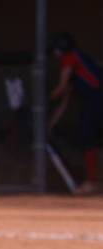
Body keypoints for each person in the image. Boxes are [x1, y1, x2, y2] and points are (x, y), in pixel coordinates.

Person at [49, 33, 102, 194]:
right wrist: (51, 123)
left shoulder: (70, 57)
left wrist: (44, 99)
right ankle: (93, 181)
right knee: (87, 138)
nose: (54, 53)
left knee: (87, 137)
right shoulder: (80, 61)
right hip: (93, 101)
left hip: (97, 98)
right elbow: (66, 100)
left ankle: (92, 182)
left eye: (56, 49)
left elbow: (61, 87)